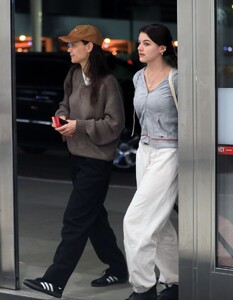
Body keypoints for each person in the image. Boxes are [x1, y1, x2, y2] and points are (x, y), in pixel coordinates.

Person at [23, 24, 128, 298]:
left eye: (73, 44)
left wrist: (78, 126)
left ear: (89, 47)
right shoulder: (72, 74)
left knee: (75, 218)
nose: (68, 48)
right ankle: (118, 268)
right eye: (68, 44)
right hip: (77, 157)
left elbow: (115, 124)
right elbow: (64, 105)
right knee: (94, 219)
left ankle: (55, 280)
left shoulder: (107, 82)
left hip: (96, 162)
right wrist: (60, 119)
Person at [123, 24, 178, 300]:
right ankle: (175, 280)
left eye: (146, 43)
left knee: (135, 221)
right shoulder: (137, 77)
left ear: (162, 47)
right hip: (144, 150)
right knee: (160, 221)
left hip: (169, 152)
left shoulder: (176, 79)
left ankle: (143, 289)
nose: (140, 47)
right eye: (139, 43)